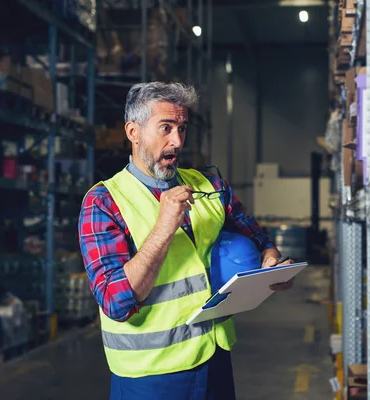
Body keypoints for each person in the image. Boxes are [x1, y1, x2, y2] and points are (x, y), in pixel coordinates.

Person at [78, 82, 295, 400]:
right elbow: (116, 301)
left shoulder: (209, 185)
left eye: (182, 128)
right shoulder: (103, 202)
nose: (176, 141)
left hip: (214, 358)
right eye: (165, 128)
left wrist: (271, 264)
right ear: (133, 131)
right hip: (150, 375)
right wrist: (164, 227)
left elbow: (259, 238)